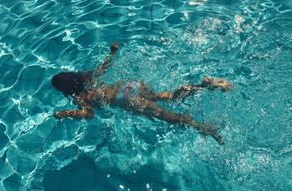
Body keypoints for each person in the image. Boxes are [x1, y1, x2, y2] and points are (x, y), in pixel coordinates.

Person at [51, 42, 231, 145]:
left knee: (170, 117)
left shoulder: (80, 98)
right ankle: (202, 86)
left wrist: (66, 114)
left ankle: (207, 129)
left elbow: (88, 114)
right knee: (167, 96)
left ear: (65, 90)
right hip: (129, 86)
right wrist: (112, 53)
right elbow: (104, 67)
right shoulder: (88, 77)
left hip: (125, 98)